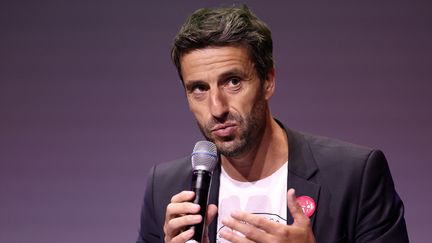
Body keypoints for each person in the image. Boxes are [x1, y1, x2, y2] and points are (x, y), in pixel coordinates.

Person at [137, 5, 409, 243]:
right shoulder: (165, 189)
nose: (216, 108)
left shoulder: (355, 176)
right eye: (198, 88)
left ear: (268, 81)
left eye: (233, 82)